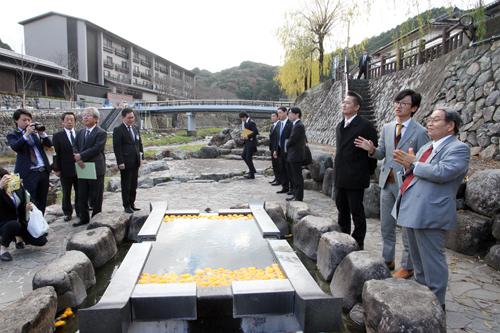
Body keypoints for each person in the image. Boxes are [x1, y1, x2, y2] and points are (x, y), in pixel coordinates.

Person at [393, 108, 470, 310]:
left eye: (436, 120)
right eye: (429, 119)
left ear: (450, 125)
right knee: (417, 257)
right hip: (412, 207)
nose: (430, 123)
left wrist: (414, 164)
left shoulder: (458, 148)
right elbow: (416, 171)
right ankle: (422, 295)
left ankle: (437, 303)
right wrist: (407, 165)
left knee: (431, 259)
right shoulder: (427, 146)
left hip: (431, 210)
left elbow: (444, 172)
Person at [354, 89, 430, 278]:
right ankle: (388, 258)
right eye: (397, 102)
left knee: (406, 227)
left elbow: (423, 161)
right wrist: (372, 150)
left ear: (414, 108)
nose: (398, 106)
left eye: (404, 103)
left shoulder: (420, 132)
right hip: (386, 183)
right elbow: (383, 153)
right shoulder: (388, 128)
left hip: (407, 186)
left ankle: (408, 265)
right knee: (386, 225)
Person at [334, 91, 378, 250]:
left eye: (348, 103)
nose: (344, 105)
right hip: (340, 176)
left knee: (357, 212)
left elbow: (373, 152)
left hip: (356, 176)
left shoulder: (365, 125)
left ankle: (358, 243)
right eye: (343, 102)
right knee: (341, 210)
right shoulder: (340, 125)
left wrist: (365, 172)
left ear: (357, 107)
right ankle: (343, 239)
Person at [7, 109, 53, 214]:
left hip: (43, 170)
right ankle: (30, 224)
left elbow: (49, 145)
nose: (27, 123)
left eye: (29, 120)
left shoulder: (35, 133)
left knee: (42, 199)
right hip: (29, 173)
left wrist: (42, 133)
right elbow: (16, 147)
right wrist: (26, 135)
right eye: (24, 120)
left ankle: (41, 224)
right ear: (16, 121)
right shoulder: (13, 134)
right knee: (30, 200)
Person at [0, 168, 47, 261]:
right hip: (4, 223)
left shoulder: (16, 186)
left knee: (41, 241)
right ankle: (3, 248)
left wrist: (29, 205)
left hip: (20, 221)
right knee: (13, 225)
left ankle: (19, 238)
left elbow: (28, 198)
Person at [72, 107, 107, 227]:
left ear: (96, 119)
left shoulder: (101, 132)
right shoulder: (80, 132)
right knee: (81, 193)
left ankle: (96, 218)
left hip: (96, 167)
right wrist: (77, 156)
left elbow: (97, 148)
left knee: (96, 195)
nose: (85, 117)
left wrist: (80, 157)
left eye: (88, 115)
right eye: (83, 115)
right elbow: (75, 145)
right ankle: (83, 217)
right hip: (82, 168)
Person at [113, 108, 144, 214]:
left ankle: (132, 203)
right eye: (129, 118)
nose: (131, 120)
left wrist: (141, 157)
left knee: (134, 184)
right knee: (126, 184)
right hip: (125, 162)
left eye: (132, 117)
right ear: (123, 118)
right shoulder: (119, 129)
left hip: (135, 160)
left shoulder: (135, 128)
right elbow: (117, 147)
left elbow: (139, 143)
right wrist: (120, 162)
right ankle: (126, 205)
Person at [53, 112, 80, 222]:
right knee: (66, 192)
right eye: (67, 119)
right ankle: (67, 212)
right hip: (65, 168)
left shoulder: (79, 134)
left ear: (74, 122)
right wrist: (57, 169)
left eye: (72, 119)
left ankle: (80, 210)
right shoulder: (57, 136)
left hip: (79, 168)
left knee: (80, 191)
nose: (69, 121)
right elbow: (55, 154)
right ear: (62, 121)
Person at [286, 107, 306, 202]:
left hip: (296, 154)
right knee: (294, 176)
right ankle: (295, 194)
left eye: (291, 113)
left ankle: (298, 196)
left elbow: (293, 139)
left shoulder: (298, 125)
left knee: (297, 176)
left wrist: (287, 143)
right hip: (294, 154)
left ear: (297, 114)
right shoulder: (296, 124)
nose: (289, 115)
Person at [273, 107, 294, 195]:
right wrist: (275, 150)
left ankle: (292, 188)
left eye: (281, 113)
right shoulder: (279, 125)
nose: (279, 115)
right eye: (278, 113)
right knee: (282, 169)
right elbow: (276, 139)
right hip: (280, 150)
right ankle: (285, 187)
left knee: (289, 170)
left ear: (286, 112)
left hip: (288, 151)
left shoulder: (290, 124)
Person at [239, 111, 259, 179]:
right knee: (243, 155)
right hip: (247, 143)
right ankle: (252, 170)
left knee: (248, 158)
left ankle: (252, 173)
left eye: (242, 118)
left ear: (245, 117)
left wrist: (248, 136)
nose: (241, 119)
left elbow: (256, 131)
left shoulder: (251, 122)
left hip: (251, 143)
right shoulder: (246, 123)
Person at [269, 111, 281, 185]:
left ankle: (279, 179)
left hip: (276, 148)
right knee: (274, 164)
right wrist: (270, 148)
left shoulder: (279, 125)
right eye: (271, 116)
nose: (272, 118)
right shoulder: (273, 126)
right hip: (272, 147)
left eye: (274, 116)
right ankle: (276, 177)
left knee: (277, 164)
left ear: (277, 117)